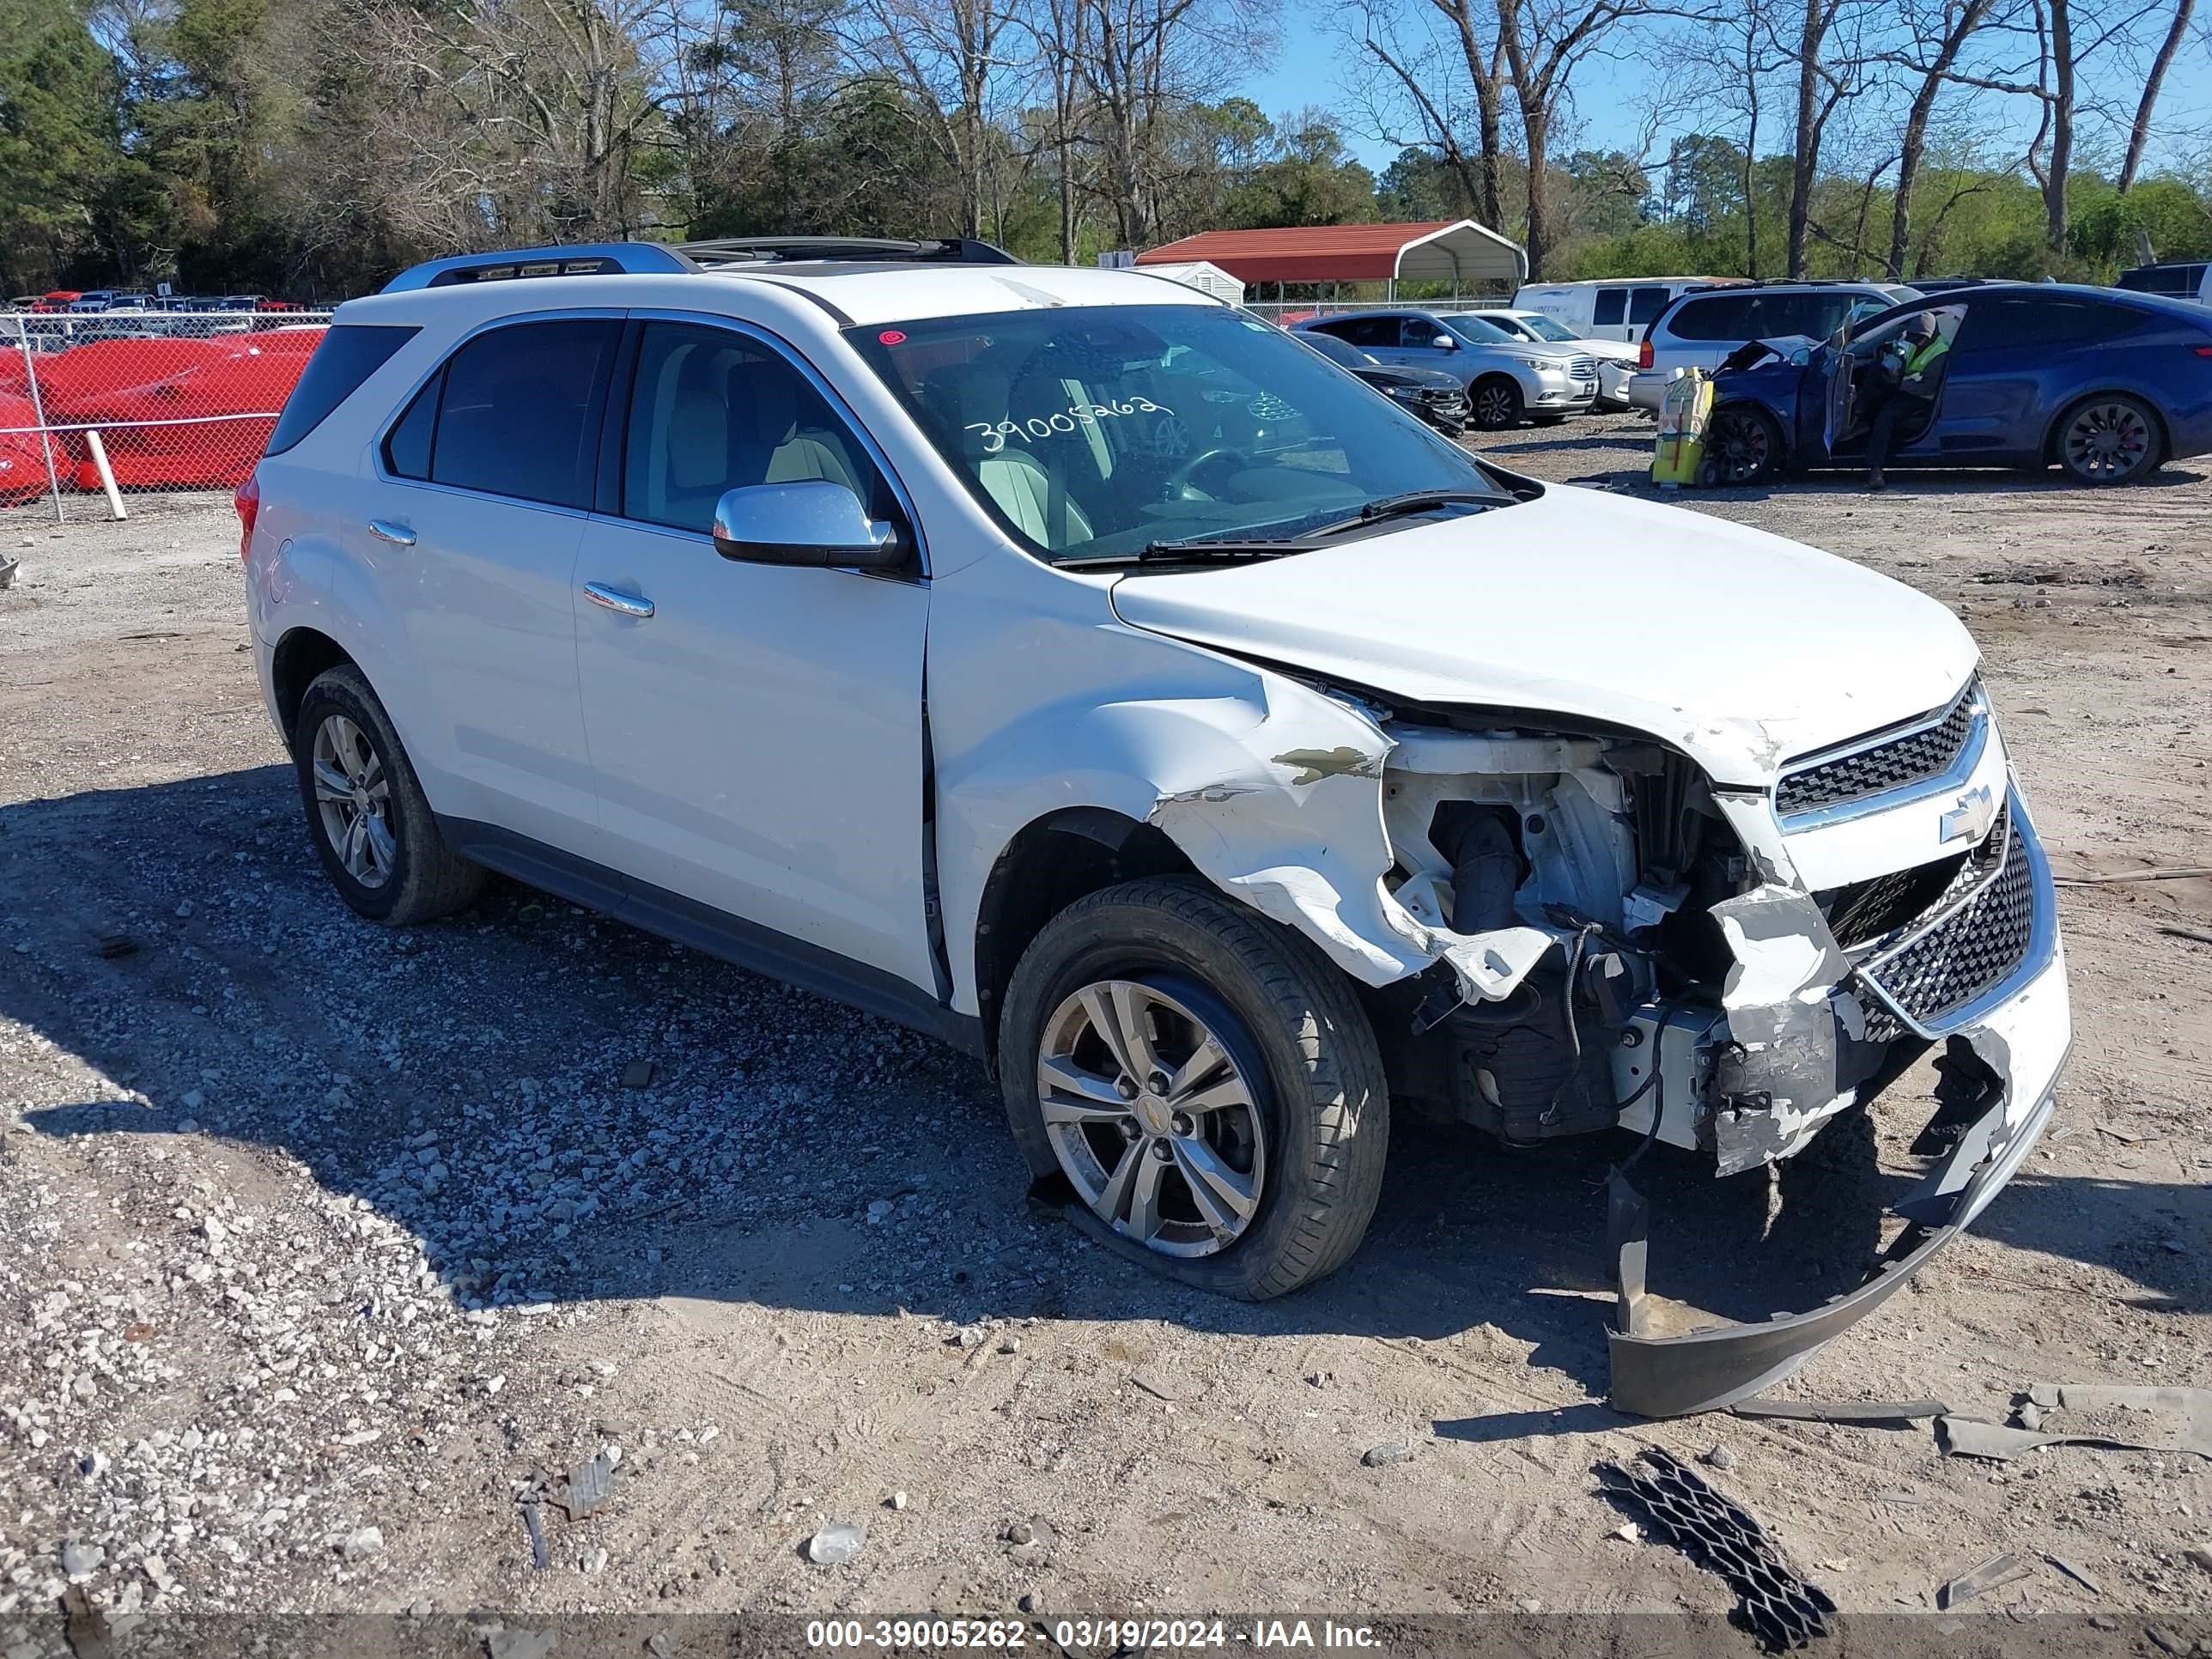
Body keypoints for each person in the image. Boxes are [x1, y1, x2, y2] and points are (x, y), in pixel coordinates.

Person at [1864, 312, 1949, 489]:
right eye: (1914, 338)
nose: (1916, 342)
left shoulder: (1940, 352)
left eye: (1920, 339)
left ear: (1929, 336)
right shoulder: (1914, 343)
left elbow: (1928, 388)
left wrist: (1899, 384)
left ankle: (1876, 470)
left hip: (1921, 399)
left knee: (1886, 417)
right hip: (1906, 389)